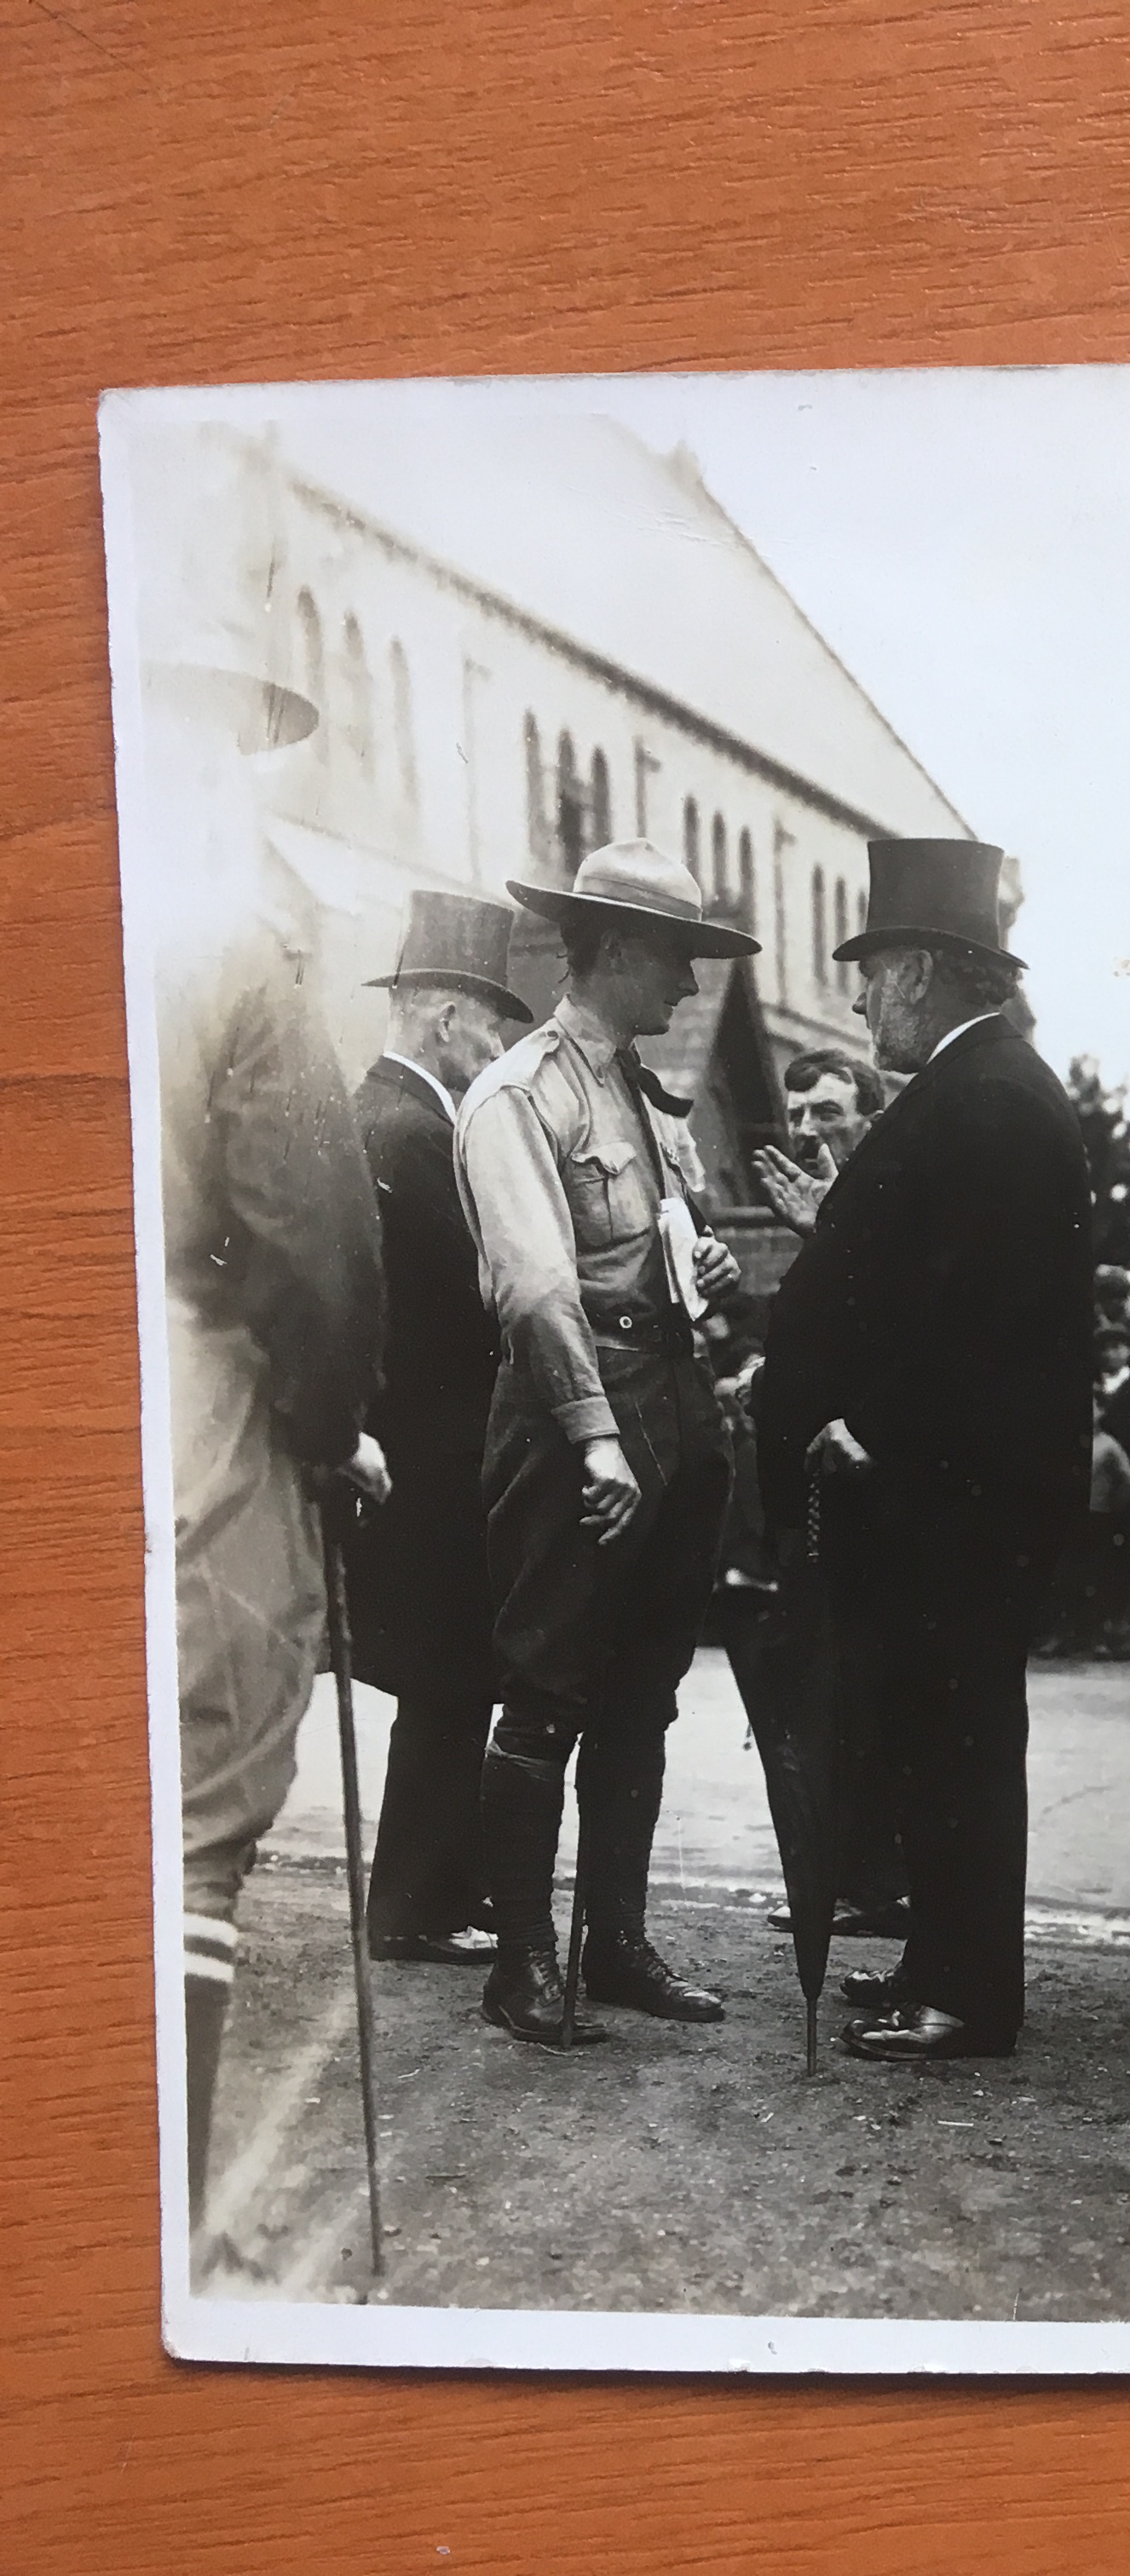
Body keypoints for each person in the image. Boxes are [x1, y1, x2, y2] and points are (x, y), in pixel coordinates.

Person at [752, 839, 1092, 2062]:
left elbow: (967, 1323)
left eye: (874, 970)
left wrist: (866, 1423)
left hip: (961, 1497)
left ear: (932, 974)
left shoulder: (984, 1100)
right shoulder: (987, 1088)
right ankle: (937, 1965)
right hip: (966, 1491)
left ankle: (966, 1995)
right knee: (942, 1730)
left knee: (956, 1736)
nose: (857, 997)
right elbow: (924, 1281)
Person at [143, 617, 389, 2217]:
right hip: (189, 1386)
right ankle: (157, 2228)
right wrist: (330, 1423)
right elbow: (310, 1234)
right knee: (195, 1816)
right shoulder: (231, 943)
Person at [458, 840, 752, 2046]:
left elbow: (642, 1250)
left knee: (643, 1694)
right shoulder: (519, 1095)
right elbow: (535, 1291)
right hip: (579, 1418)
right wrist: (594, 1440)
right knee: (548, 1686)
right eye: (677, 956)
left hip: (670, 1405)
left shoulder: (639, 1091)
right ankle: (523, 1962)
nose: (689, 983)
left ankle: (613, 1944)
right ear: (618, 950)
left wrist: (702, 1275)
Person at [343, 892, 532, 1965]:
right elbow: (473, 1308)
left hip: (410, 1453)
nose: (495, 1045)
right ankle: (419, 1904)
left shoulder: (382, 1120)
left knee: (447, 1678)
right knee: (453, 1676)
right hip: (434, 1457)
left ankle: (439, 1887)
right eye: (489, 1022)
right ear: (443, 1017)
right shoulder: (416, 1137)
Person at [753, 1044, 890, 1235]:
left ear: (873, 1127)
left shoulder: (901, 1205)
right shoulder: (803, 1208)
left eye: (827, 1114)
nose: (805, 1130)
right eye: (796, 1116)